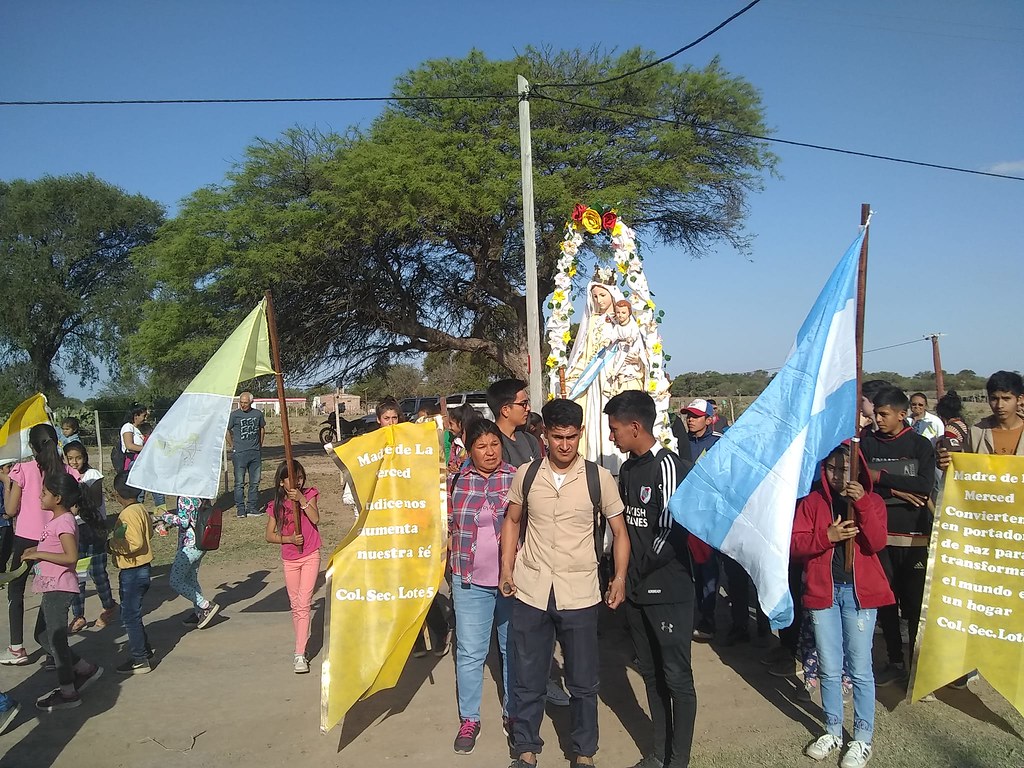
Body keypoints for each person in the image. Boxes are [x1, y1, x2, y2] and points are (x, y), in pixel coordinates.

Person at [499, 398, 630, 768]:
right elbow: (512, 521)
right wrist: (507, 568)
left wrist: (619, 577)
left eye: (572, 437)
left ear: (581, 434)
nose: (565, 445)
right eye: (557, 437)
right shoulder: (526, 474)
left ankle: (584, 752)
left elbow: (619, 533)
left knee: (584, 681)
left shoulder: (598, 478)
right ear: (545, 436)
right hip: (531, 590)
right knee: (527, 677)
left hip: (580, 593)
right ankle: (526, 748)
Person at [605, 391, 700, 768]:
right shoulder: (628, 469)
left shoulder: (670, 467)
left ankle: (680, 759)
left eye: (614, 430)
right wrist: (619, 576)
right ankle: (659, 753)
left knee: (677, 677)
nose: (611, 437)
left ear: (635, 426)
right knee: (651, 675)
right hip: (636, 591)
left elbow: (670, 531)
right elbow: (626, 529)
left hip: (669, 591)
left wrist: (631, 572)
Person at [791, 444, 894, 768]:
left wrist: (861, 502)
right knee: (829, 667)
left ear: (858, 470)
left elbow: (877, 542)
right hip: (824, 592)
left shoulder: (872, 501)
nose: (838, 476)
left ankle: (862, 738)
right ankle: (833, 730)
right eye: (832, 469)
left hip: (859, 595)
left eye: (845, 469)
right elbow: (795, 543)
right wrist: (827, 535)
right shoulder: (813, 502)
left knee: (861, 668)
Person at [448, 419, 518, 754]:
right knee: (471, 652)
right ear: (469, 448)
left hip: (513, 583)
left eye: (494, 444)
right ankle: (469, 718)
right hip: (469, 582)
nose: (490, 452)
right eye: (481, 446)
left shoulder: (517, 477)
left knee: (512, 650)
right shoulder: (455, 480)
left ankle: (514, 714)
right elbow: (445, 524)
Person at [860, 385, 935, 687]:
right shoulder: (866, 444)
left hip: (915, 537)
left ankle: (920, 664)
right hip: (880, 536)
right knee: (886, 602)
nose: (877, 419)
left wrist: (880, 478)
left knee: (915, 604)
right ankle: (894, 660)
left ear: (902, 415)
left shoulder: (919, 445)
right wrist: (894, 489)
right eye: (875, 413)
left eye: (883, 414)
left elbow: (924, 484)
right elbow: (861, 481)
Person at [21, 472, 105, 710]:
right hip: (51, 586)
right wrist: (35, 550)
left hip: (60, 587)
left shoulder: (66, 521)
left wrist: (39, 554)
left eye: (44, 493)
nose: (40, 496)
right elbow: (54, 547)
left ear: (57, 498)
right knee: (43, 636)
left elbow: (70, 556)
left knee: (55, 641)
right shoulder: (58, 520)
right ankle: (84, 669)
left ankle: (68, 693)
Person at [0, 423, 80, 666]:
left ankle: (17, 648)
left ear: (32, 447)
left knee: (16, 590)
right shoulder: (68, 471)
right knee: (51, 592)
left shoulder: (22, 469)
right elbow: (75, 507)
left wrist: (6, 483)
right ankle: (51, 650)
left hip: (26, 539)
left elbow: (11, 510)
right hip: (56, 539)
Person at [564, 273, 630, 470]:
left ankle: (619, 465)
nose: (598, 300)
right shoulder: (592, 321)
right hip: (594, 380)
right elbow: (583, 354)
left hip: (616, 376)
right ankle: (596, 465)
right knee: (595, 421)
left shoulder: (623, 320)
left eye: (602, 295)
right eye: (594, 296)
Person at [265, 460, 321, 674]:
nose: (296, 481)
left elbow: (315, 518)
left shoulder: (310, 494)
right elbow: (269, 535)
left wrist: (302, 500)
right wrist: (288, 539)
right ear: (282, 482)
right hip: (290, 559)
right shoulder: (275, 505)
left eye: (299, 477)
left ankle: (299, 653)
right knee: (296, 604)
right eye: (291, 478)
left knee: (305, 602)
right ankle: (302, 646)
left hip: (310, 555)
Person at [674, 399, 723, 642]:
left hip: (708, 518)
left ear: (709, 419)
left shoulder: (718, 445)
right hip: (683, 517)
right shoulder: (678, 444)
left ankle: (708, 618)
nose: (690, 420)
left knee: (708, 570)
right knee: (686, 570)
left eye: (695, 416)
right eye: (687, 416)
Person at [63, 442, 118, 633]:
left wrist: (77, 489)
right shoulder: (66, 475)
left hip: (93, 529)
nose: (74, 462)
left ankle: (109, 606)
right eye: (70, 458)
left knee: (98, 572)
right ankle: (78, 615)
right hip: (74, 530)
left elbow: (95, 502)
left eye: (78, 457)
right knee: (77, 574)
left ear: (85, 457)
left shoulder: (92, 475)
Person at [108, 471, 155, 675]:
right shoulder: (141, 509)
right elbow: (149, 533)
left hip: (133, 570)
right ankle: (143, 649)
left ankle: (140, 659)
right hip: (141, 569)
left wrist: (113, 547)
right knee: (131, 612)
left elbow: (135, 542)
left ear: (118, 494)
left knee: (129, 615)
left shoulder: (128, 514)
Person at [162, 497, 220, 629]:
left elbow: (183, 522)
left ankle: (205, 605)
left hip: (189, 546)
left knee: (175, 581)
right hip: (199, 543)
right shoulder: (199, 496)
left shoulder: (185, 498)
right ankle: (199, 612)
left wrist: (166, 516)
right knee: (191, 579)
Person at [121, 405, 167, 513]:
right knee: (138, 493)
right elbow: (129, 446)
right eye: (144, 415)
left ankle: (160, 518)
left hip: (145, 462)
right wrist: (148, 449)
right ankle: (138, 516)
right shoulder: (128, 427)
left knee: (157, 490)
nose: (145, 418)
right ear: (135, 416)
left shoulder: (139, 429)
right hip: (135, 463)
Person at [227, 392, 266, 518]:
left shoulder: (258, 414)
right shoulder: (234, 415)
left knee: (254, 482)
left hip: (255, 453)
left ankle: (252, 508)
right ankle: (240, 509)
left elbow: (262, 428)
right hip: (239, 454)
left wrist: (260, 444)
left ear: (251, 402)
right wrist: (232, 445)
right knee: (239, 483)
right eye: (241, 402)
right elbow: (226, 430)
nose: (243, 405)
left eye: (245, 403)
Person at [487, 379, 541, 468]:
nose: (528, 408)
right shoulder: (490, 444)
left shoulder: (530, 440)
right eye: (523, 404)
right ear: (505, 410)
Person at [0, 461, 14, 572]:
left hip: (7, 523)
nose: (11, 469)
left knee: (6, 549)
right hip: (2, 524)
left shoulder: (10, 483)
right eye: (8, 466)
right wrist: (7, 510)